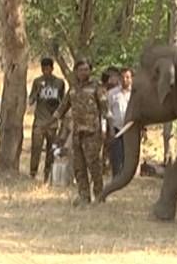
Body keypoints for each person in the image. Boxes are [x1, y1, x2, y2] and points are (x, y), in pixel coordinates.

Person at [53, 59, 108, 205]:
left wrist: (104, 128)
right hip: (77, 133)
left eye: (86, 69)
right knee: (79, 167)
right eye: (81, 69)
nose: (84, 72)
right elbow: (63, 106)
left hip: (92, 133)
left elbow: (104, 109)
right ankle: (84, 196)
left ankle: (99, 195)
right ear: (76, 72)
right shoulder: (73, 89)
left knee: (94, 165)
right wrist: (53, 119)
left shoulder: (97, 87)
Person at [27, 57, 67, 180]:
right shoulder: (37, 82)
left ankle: (47, 174)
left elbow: (63, 102)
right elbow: (31, 100)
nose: (46, 71)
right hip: (39, 121)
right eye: (43, 69)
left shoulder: (59, 83)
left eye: (48, 69)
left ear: (52, 68)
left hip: (52, 123)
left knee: (51, 150)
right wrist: (36, 93)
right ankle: (33, 173)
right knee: (36, 149)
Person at [105, 67, 133, 177]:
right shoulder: (112, 93)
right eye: (122, 77)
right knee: (116, 155)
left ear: (131, 79)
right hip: (116, 128)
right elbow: (107, 112)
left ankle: (127, 177)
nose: (125, 79)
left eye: (127, 77)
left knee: (128, 155)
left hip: (131, 128)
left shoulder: (135, 93)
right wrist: (107, 129)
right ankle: (116, 177)